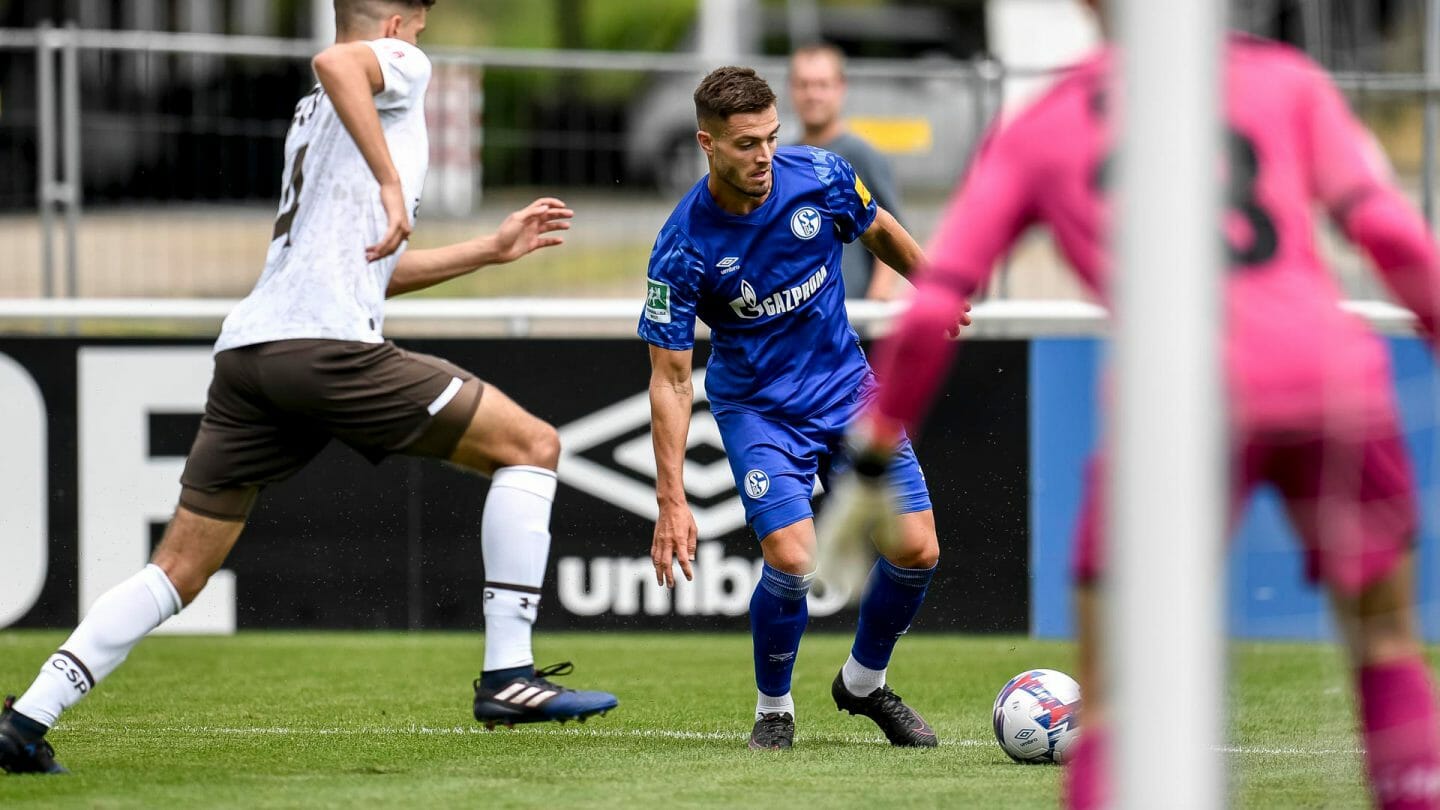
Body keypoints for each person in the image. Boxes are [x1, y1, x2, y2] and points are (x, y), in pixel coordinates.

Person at [833, 2, 1440, 807]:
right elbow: (1395, 240)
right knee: (1386, 644)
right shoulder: (1289, 80)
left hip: (1179, 405)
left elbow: (937, 299)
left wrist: (873, 455)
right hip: (1335, 382)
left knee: (1115, 698)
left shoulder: (1041, 126)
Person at [0, 0, 616, 774]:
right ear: (397, 22)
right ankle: (509, 676)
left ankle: (26, 718)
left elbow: (365, 262)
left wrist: (488, 251)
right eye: (420, 21)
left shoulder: (313, 113)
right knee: (533, 447)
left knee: (178, 570)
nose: (422, 38)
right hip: (325, 350)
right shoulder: (391, 66)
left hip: (251, 355)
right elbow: (335, 60)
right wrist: (395, 188)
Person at [639, 66, 967, 751]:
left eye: (770, 138)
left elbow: (877, 228)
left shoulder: (821, 174)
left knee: (918, 549)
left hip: (847, 391)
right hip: (759, 410)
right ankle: (774, 708)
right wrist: (672, 497)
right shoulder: (681, 247)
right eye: (745, 144)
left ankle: (863, 684)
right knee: (793, 560)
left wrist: (931, 284)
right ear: (706, 143)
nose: (763, 156)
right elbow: (670, 380)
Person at [789, 43, 906, 301]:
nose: (812, 94)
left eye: (822, 84)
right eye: (803, 84)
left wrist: (877, 300)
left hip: (849, 319)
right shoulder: (781, 158)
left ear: (840, 87)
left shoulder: (861, 156)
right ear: (791, 89)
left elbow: (890, 233)